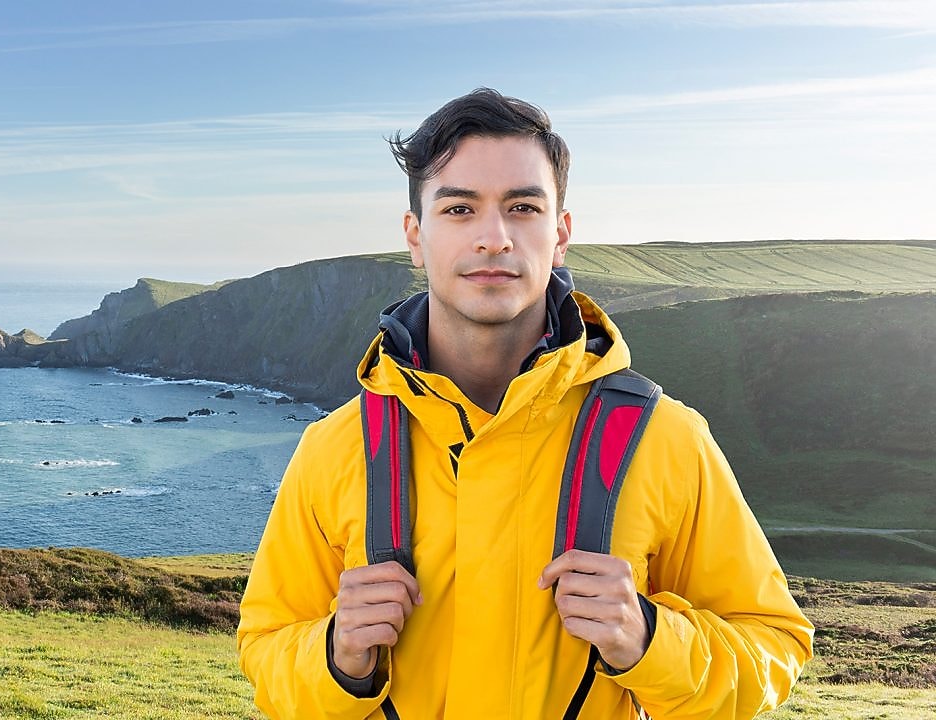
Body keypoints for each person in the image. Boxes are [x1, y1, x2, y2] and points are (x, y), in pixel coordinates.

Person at [236, 88, 813, 719]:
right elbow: (266, 652)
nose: (494, 237)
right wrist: (333, 655)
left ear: (560, 232)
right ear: (416, 236)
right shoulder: (335, 447)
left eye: (522, 207)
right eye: (459, 209)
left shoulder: (666, 439)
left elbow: (772, 646)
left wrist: (649, 639)